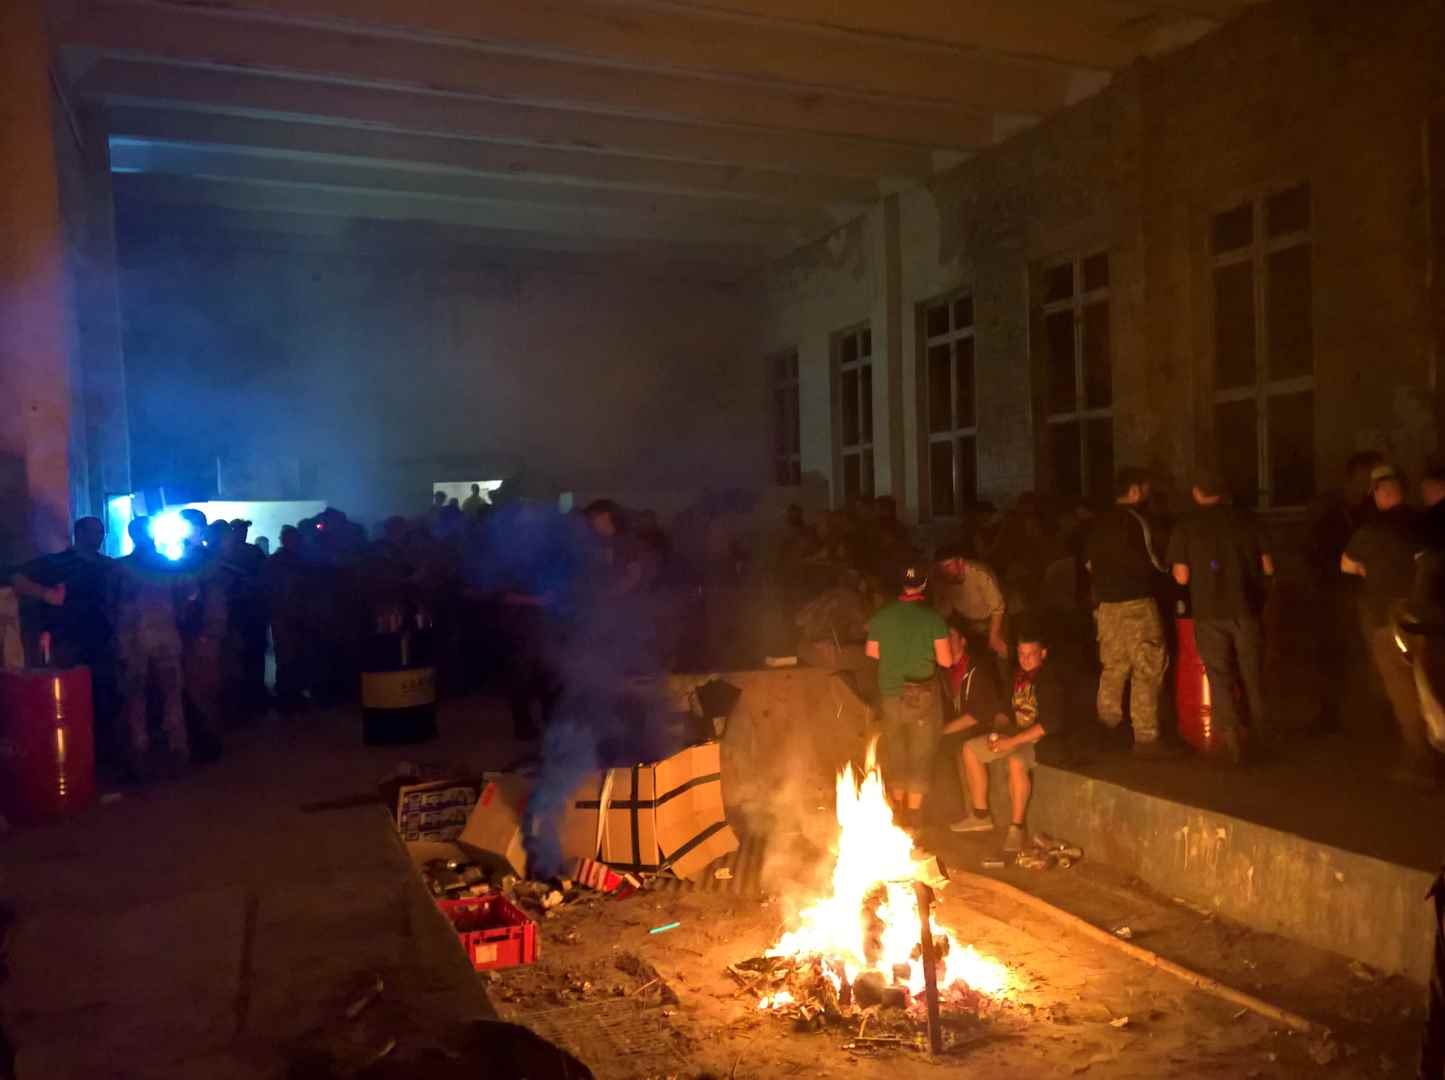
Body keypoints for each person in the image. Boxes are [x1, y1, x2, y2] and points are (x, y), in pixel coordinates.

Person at [1166, 468, 1275, 763]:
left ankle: (1231, 740)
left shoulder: (1186, 526)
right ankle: (1263, 737)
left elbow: (1181, 576)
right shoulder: (1249, 520)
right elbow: (1269, 567)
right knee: (1253, 675)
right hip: (1247, 610)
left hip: (1208, 613)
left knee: (1219, 675)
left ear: (1196, 493)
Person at [1343, 464, 1436, 787]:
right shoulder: (1424, 524)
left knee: (1403, 690)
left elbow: (1346, 564)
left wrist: (1369, 571)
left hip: (1389, 620)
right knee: (1431, 684)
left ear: (1380, 495)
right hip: (1428, 618)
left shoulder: (1371, 530)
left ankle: (1420, 759)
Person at [8, 517, 122, 758]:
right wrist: (46, 594)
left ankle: (101, 752)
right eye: (94, 532)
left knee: (104, 694)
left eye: (101, 532)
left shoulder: (108, 566)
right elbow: (16, 578)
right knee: (70, 696)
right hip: (68, 639)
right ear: (79, 533)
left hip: (102, 638)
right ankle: (73, 750)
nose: (99, 537)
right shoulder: (57, 563)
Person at [948, 621, 1065, 853]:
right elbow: (1004, 708)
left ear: (1043, 653)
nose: (1025, 659)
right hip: (1013, 733)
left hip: (1039, 741)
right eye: (1021, 654)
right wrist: (998, 729)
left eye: (1031, 654)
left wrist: (1011, 742)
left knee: (1015, 761)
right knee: (970, 749)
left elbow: (1048, 725)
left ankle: (1016, 828)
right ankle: (980, 815)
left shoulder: (1049, 679)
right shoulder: (1017, 675)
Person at [1085, 468, 1174, 757]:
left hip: (1106, 609)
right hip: (1137, 605)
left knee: (1113, 669)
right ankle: (1146, 738)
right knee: (1147, 667)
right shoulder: (1138, 521)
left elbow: (1089, 566)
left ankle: (1106, 732)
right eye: (1146, 489)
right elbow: (1159, 562)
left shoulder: (1097, 525)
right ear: (1134, 491)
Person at [865, 561, 953, 825]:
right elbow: (946, 661)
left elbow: (872, 652)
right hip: (921, 696)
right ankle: (913, 817)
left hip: (890, 694)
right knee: (921, 754)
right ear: (924, 584)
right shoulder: (933, 618)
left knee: (896, 751)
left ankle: (897, 813)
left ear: (901, 584)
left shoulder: (882, 616)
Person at [1306, 450, 1384, 734]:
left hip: (1366, 593)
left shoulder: (1374, 511)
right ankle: (1330, 713)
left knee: (1371, 653)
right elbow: (1312, 548)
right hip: (1333, 591)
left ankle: (1374, 715)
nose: (1368, 485)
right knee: (1332, 651)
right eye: (1365, 478)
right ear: (1351, 477)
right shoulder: (1329, 510)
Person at [115, 517, 189, 777]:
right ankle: (177, 750)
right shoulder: (168, 565)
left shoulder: (121, 567)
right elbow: (185, 599)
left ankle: (140, 752)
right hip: (165, 636)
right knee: (171, 695)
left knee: (137, 698)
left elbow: (113, 604)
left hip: (134, 639)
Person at [931, 542, 1008, 670]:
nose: (944, 571)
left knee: (1000, 651)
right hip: (968, 621)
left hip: (993, 618)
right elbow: (944, 613)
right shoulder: (941, 580)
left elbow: (998, 608)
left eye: (948, 565)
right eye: (941, 567)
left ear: (960, 562)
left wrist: (994, 635)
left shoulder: (979, 573)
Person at [262, 525, 312, 712]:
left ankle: (292, 693)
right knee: (287, 654)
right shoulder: (280, 562)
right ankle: (287, 694)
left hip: (294, 614)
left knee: (294, 654)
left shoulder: (291, 561)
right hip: (284, 615)